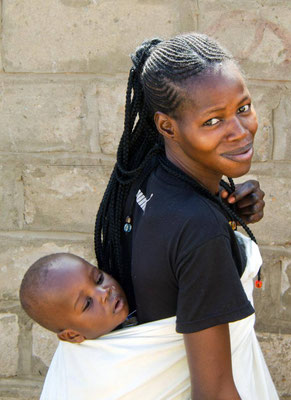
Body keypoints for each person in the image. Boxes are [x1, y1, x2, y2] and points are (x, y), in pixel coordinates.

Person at [94, 32, 277, 400]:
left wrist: (225, 210)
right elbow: (214, 392)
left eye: (243, 108)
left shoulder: (144, 174)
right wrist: (213, 224)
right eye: (212, 121)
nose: (241, 132)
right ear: (166, 126)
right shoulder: (199, 230)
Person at [19, 253, 129, 343]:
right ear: (72, 335)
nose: (104, 293)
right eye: (87, 303)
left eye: (99, 279)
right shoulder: (85, 367)